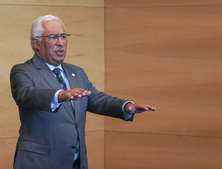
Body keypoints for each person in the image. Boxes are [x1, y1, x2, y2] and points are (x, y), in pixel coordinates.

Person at [10, 14, 156, 169]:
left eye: (63, 36)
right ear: (36, 43)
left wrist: (127, 106)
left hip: (75, 162)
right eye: (53, 37)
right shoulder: (23, 71)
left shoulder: (77, 72)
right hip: (39, 163)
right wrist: (59, 95)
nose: (60, 43)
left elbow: (96, 99)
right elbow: (26, 95)